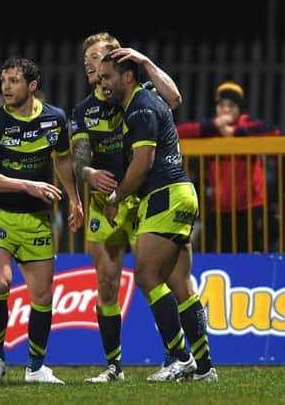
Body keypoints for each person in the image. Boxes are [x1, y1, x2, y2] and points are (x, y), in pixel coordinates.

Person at [71, 32, 186, 383]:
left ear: (116, 62)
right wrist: (88, 172)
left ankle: (181, 358)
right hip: (103, 204)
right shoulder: (83, 111)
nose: (89, 63)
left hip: (144, 198)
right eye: (86, 58)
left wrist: (146, 62)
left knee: (166, 280)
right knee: (106, 283)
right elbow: (78, 158)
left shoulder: (140, 97)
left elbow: (176, 98)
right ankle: (114, 368)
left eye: (96, 56)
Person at [98, 53, 217, 382]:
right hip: (182, 192)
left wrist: (115, 197)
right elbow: (176, 97)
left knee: (147, 276)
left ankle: (180, 357)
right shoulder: (149, 96)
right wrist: (146, 63)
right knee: (179, 283)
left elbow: (143, 163)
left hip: (164, 194)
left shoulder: (139, 107)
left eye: (107, 77)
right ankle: (205, 368)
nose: (102, 83)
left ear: (127, 77)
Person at [0, 57, 83, 385]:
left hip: (37, 220)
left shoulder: (55, 119)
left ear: (32, 86)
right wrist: (27, 185)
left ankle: (35, 367)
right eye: (3, 80)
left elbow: (63, 161)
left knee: (43, 297)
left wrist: (76, 201)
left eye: (14, 81)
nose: (6, 87)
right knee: (1, 283)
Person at [176, 81, 280, 252]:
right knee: (224, 252)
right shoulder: (210, 129)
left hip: (250, 207)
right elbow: (177, 132)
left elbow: (273, 132)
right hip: (219, 209)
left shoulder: (246, 123)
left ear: (239, 110)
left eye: (231, 106)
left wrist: (236, 133)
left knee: (251, 251)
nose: (225, 110)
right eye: (221, 105)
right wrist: (213, 125)